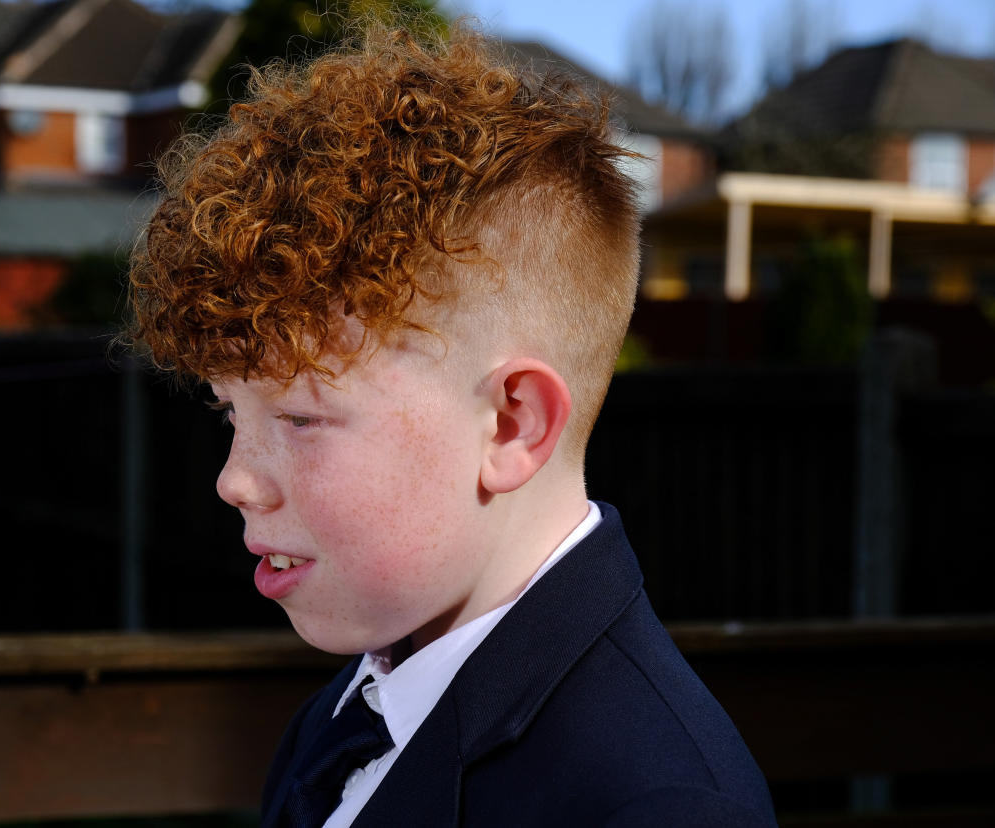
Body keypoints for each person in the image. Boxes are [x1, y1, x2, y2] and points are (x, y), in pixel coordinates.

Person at [129, 20, 777, 828]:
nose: (233, 479)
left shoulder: (658, 806)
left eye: (299, 415)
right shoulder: (343, 723)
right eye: (231, 410)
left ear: (512, 424)